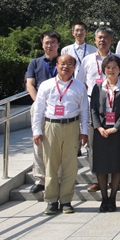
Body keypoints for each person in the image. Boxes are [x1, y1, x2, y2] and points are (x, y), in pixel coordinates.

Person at [32, 54, 89, 215]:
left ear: (74, 67)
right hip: (51, 126)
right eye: (62, 63)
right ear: (57, 65)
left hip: (72, 126)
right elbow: (39, 109)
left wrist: (84, 131)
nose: (66, 67)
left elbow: (84, 111)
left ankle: (66, 200)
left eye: (70, 64)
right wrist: (37, 130)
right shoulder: (46, 85)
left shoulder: (79, 86)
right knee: (51, 164)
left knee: (70, 166)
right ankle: (51, 200)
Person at [77, 26, 120, 193]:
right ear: (95, 40)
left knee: (113, 146)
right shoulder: (87, 60)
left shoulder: (118, 59)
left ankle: (112, 179)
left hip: (114, 106)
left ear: (111, 40)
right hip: (94, 107)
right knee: (93, 146)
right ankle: (96, 178)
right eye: (99, 37)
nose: (102, 40)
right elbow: (81, 83)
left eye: (106, 37)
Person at [90, 55, 120, 212]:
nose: (111, 70)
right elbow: (93, 109)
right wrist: (99, 127)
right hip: (101, 132)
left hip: (118, 132)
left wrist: (116, 127)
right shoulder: (97, 87)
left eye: (114, 67)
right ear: (103, 70)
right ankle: (104, 199)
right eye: (108, 68)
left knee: (116, 166)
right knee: (101, 167)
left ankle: (113, 198)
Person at [25, 30, 60, 194]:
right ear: (42, 44)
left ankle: (57, 178)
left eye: (53, 42)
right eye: (47, 42)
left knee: (58, 144)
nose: (49, 45)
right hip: (40, 106)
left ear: (58, 45)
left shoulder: (64, 61)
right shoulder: (35, 63)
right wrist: (38, 102)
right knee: (38, 141)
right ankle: (40, 179)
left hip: (60, 108)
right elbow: (30, 84)